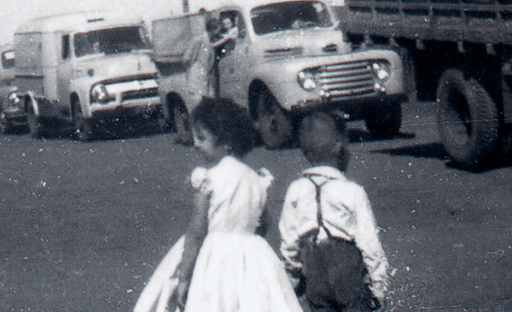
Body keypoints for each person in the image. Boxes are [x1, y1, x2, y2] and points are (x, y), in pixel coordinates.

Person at [133, 98, 303, 312]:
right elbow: (264, 222)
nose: (196, 144)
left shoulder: (209, 178)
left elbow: (196, 231)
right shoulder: (256, 180)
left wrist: (184, 277)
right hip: (253, 254)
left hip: (215, 257)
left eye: (202, 138)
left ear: (225, 142)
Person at [279, 111, 390, 312]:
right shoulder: (352, 190)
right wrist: (378, 287)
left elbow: (289, 243)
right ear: (339, 145)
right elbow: (369, 243)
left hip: (314, 271)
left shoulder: (295, 189)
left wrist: (292, 278)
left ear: (305, 152)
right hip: (346, 270)